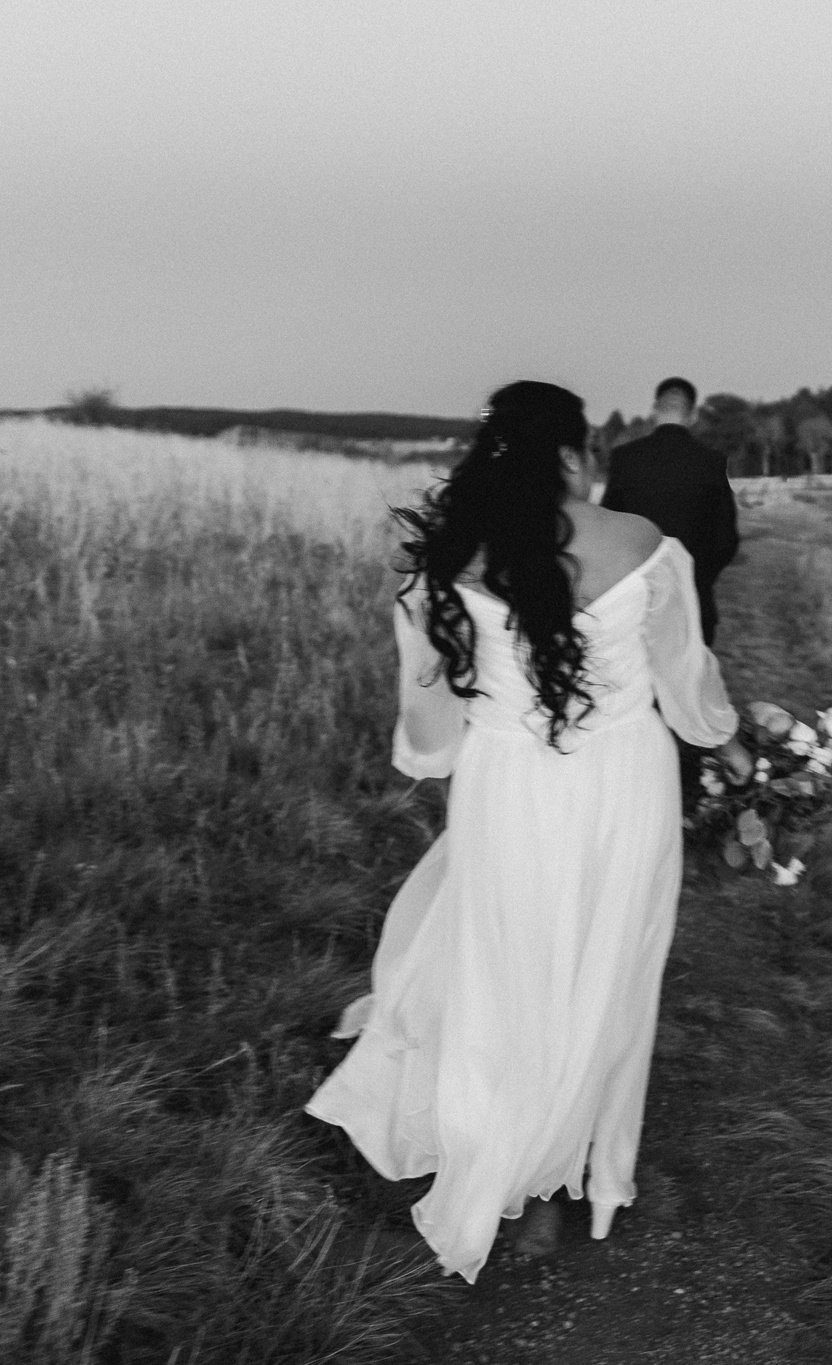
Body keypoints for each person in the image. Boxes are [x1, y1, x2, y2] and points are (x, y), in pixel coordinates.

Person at [306, 380, 754, 1282]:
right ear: (571, 456)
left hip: (509, 787)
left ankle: (506, 1154)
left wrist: (487, 732)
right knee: (605, 967)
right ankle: (564, 1174)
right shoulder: (643, 546)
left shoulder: (451, 565)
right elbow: (688, 689)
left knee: (506, 965)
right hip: (625, 786)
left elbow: (429, 741)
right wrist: (739, 752)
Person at [600, 377, 740, 644]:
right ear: (694, 414)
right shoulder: (711, 462)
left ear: (654, 410)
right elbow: (726, 540)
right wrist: (697, 577)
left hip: (637, 601)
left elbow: (609, 527)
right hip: (693, 601)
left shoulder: (624, 459)